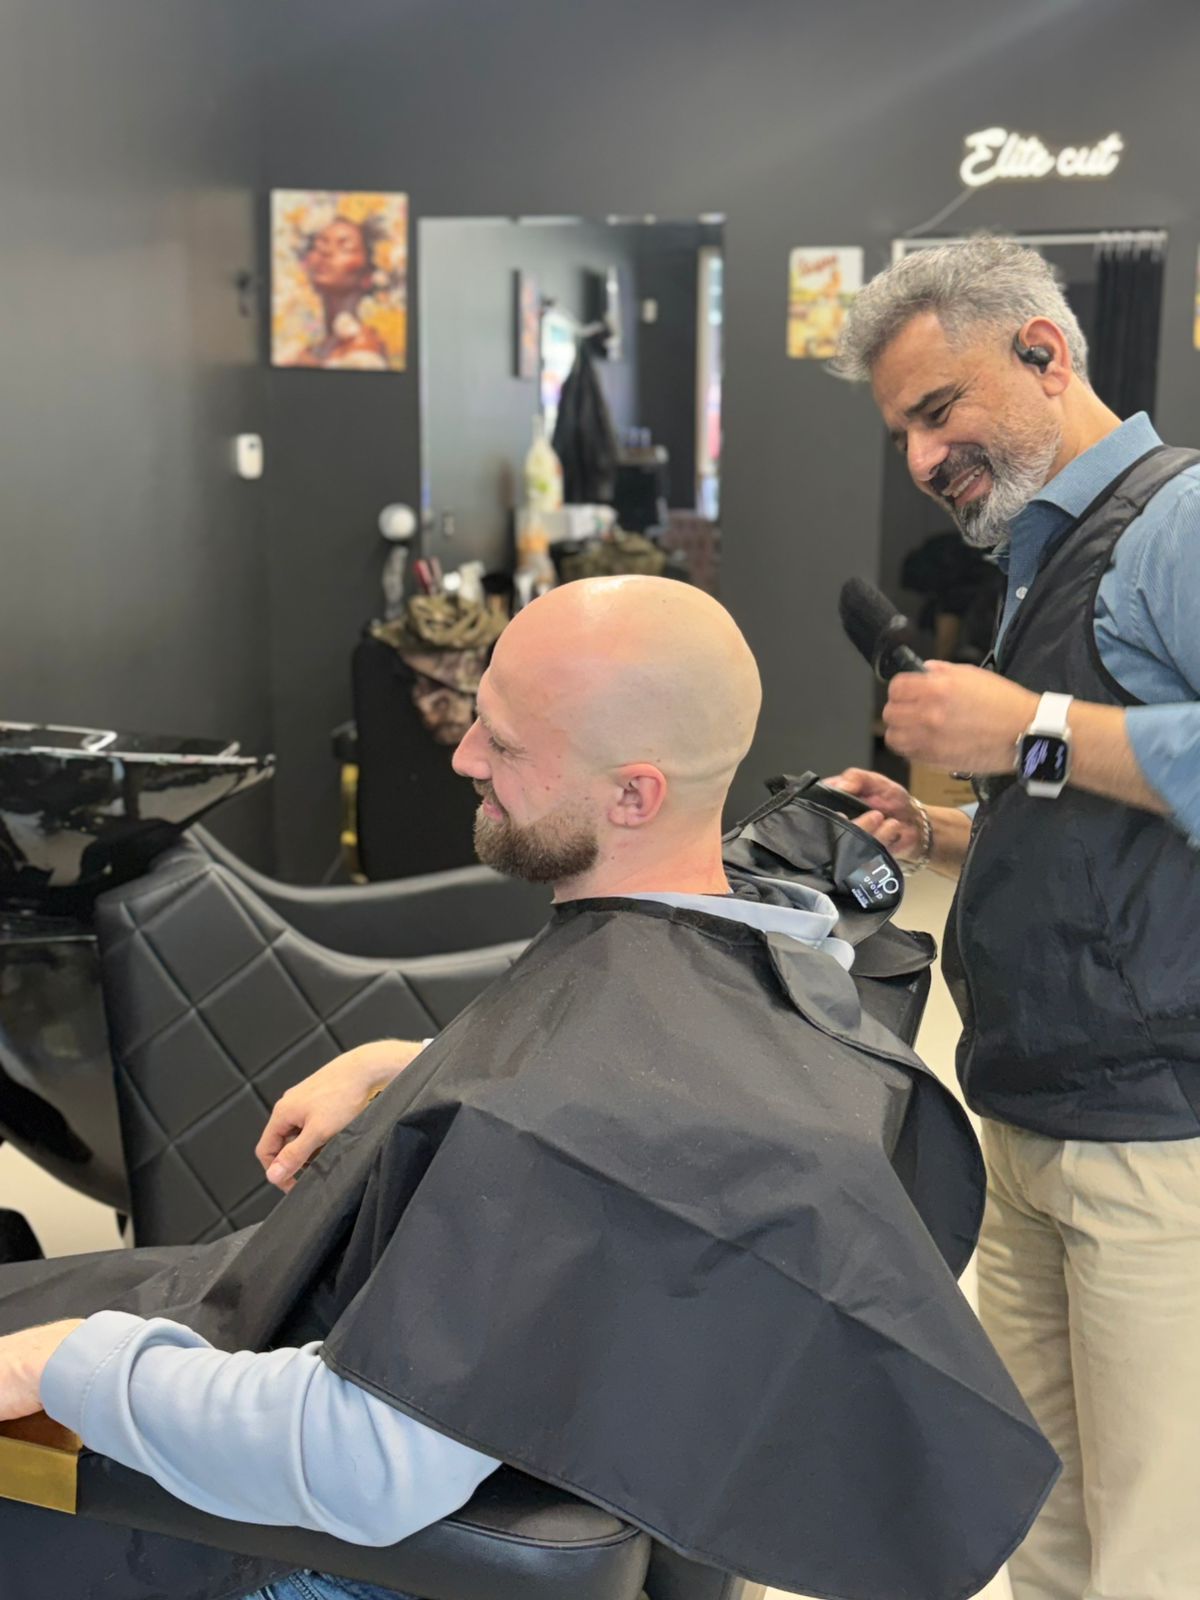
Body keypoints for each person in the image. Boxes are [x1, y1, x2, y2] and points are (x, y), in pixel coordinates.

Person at [0, 577, 1056, 1600]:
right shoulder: (773, 946)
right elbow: (625, 1066)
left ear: (633, 793)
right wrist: (417, 1063)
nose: (462, 756)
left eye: (501, 744)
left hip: (305, 1540)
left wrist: (69, 1366)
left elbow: (366, 1461)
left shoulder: (566, 1117)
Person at [828, 235, 1200, 1600]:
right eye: (904, 433)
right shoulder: (1049, 556)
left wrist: (1027, 723)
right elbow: (1110, 806)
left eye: (940, 410)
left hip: (1157, 1136)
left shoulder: (1178, 524)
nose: (924, 458)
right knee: (1041, 1526)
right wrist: (940, 829)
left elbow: (1068, 742)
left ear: (1045, 353)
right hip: (1034, 1113)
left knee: (1156, 1550)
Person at [290, 216, 389, 370]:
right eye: (319, 244)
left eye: (345, 248)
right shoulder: (313, 350)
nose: (326, 252)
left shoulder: (363, 352)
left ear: (367, 276)